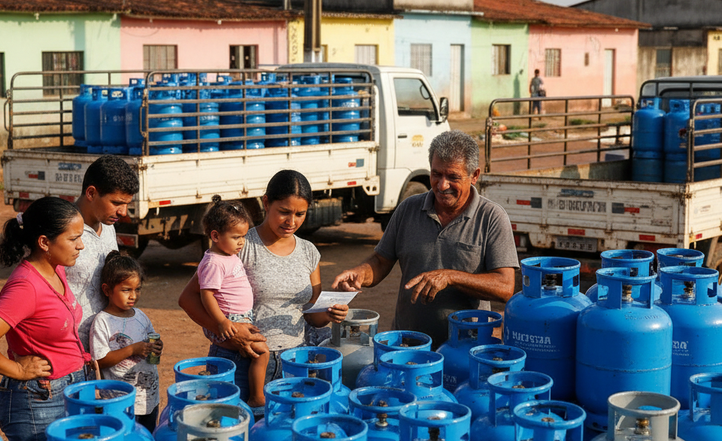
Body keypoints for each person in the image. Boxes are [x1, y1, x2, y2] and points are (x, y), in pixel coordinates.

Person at [332, 131, 519, 348]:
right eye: (436, 174)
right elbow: (381, 261)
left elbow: (505, 287)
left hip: (466, 348)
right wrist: (359, 274)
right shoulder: (408, 209)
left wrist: (451, 277)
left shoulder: (492, 217)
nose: (441, 185)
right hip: (408, 345)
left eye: (453, 177)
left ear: (474, 175)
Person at [179, 170, 349, 402]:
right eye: (284, 212)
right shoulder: (239, 243)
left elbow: (311, 316)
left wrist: (330, 313)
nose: (292, 222)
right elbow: (188, 299)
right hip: (242, 358)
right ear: (266, 203)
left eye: (300, 214)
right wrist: (226, 330)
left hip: (294, 362)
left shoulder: (309, 252)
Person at [0, 197, 87, 441]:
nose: (80, 245)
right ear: (44, 242)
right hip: (39, 401)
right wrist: (17, 370)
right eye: (73, 239)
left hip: (69, 391)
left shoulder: (56, 267)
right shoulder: (26, 287)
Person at [196, 195, 269, 408]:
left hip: (239, 318)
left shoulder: (228, 255)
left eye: (243, 236)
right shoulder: (214, 262)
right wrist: (221, 322)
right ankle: (257, 397)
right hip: (229, 320)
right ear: (215, 236)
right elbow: (206, 294)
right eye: (236, 237)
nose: (241, 242)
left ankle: (255, 395)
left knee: (257, 352)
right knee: (261, 350)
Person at [68, 155, 139, 351]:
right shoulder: (62, 232)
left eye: (126, 204)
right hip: (70, 350)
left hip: (103, 346)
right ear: (91, 193)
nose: (123, 212)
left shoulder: (108, 227)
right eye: (116, 203)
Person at [89, 251, 162, 432]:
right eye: (126, 290)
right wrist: (132, 350)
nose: (133, 296)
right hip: (119, 402)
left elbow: (152, 339)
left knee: (146, 434)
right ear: (107, 290)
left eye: (137, 289)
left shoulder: (141, 316)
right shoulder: (102, 321)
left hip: (148, 398)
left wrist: (157, 347)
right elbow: (99, 361)